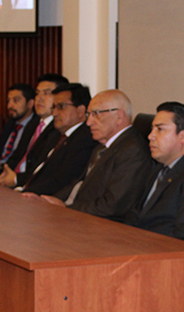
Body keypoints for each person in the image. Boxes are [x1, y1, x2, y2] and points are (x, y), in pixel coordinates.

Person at [38, 89, 152, 223]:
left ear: (119, 116)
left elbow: (112, 207)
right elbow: (79, 184)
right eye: (88, 114)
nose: (89, 122)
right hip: (79, 217)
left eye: (96, 114)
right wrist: (49, 200)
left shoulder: (133, 152)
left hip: (102, 227)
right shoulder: (101, 146)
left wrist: (67, 208)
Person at [126, 102, 184, 246]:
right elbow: (136, 214)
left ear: (183, 136)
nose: (150, 136)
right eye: (152, 129)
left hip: (169, 255)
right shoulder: (159, 167)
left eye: (160, 129)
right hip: (140, 246)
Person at [16, 83, 97, 196]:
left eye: (61, 107)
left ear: (80, 110)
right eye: (54, 107)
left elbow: (62, 182)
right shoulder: (56, 136)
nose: (54, 113)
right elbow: (38, 170)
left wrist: (26, 193)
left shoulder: (85, 140)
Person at [0, 74, 68, 188]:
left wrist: (15, 179)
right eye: (38, 93)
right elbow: (17, 156)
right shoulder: (33, 123)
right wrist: (4, 172)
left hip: (29, 185)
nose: (39, 98)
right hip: (11, 180)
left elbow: (42, 169)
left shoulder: (59, 129)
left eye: (47, 93)